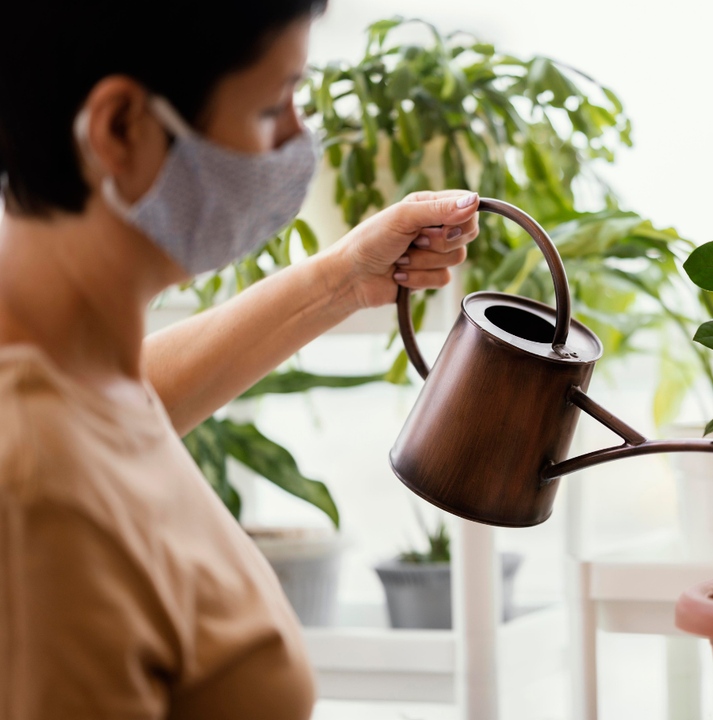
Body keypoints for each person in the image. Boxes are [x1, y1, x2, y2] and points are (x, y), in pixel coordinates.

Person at [0, 2, 479, 718]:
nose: (298, 139)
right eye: (270, 107)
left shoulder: (78, 385)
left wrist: (342, 280)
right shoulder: (40, 493)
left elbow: (118, 421)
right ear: (120, 128)